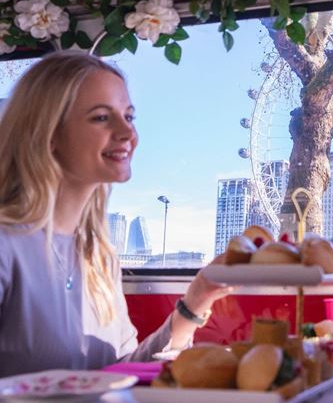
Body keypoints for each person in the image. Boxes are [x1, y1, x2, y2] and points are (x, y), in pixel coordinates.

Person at [0, 51, 233, 377]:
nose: (128, 134)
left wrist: (195, 302)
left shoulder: (99, 257)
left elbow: (121, 372)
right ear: (48, 133)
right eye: (101, 117)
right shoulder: (6, 245)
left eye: (129, 116)